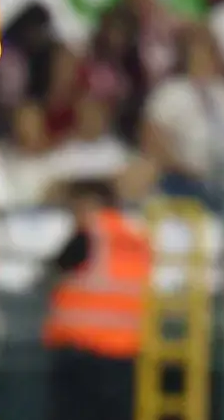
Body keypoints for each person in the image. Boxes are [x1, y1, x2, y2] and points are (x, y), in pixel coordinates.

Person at [43, 179, 150, 420]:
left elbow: (57, 266)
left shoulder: (90, 234)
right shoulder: (135, 237)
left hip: (83, 349)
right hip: (125, 351)